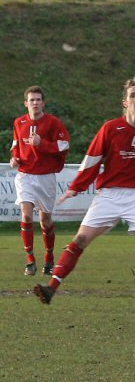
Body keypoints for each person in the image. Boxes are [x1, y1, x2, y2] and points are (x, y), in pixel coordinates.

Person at [33, 77, 135, 314]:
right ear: (124, 102)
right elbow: (92, 159)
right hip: (109, 195)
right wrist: (77, 186)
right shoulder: (111, 128)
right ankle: (51, 288)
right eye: (132, 95)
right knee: (80, 239)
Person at [10, 86, 71, 276]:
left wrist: (42, 144)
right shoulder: (19, 122)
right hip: (25, 175)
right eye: (31, 100)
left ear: (43, 103)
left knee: (45, 221)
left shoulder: (53, 123)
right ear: (26, 103)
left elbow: (64, 144)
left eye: (38, 99)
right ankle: (30, 260)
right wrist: (14, 158)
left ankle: (49, 258)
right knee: (26, 215)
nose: (35, 103)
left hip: (45, 177)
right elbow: (15, 145)